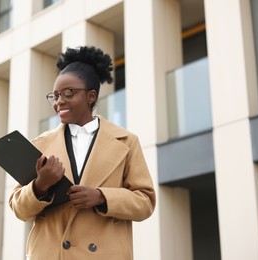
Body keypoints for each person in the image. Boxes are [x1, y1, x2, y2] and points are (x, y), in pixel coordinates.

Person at [9, 46, 156, 259]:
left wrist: (101, 196)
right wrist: (40, 186)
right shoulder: (40, 145)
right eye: (56, 96)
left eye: (68, 93)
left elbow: (145, 202)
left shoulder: (126, 142)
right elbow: (19, 210)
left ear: (91, 96)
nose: (59, 101)